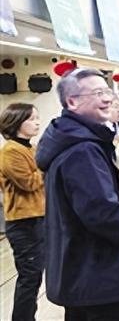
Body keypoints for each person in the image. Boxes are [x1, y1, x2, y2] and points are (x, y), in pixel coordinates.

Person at [35, 68, 119, 319]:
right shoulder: (83, 150)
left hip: (83, 271)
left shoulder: (71, 140)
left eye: (108, 91)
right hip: (99, 274)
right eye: (98, 93)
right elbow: (103, 212)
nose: (108, 99)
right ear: (72, 101)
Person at [0, 103, 45, 321]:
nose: (37, 123)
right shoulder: (10, 151)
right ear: (16, 123)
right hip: (23, 222)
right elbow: (29, 182)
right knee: (29, 277)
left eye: (37, 118)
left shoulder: (30, 147)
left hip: (37, 219)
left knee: (34, 276)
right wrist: (47, 166)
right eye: (31, 119)